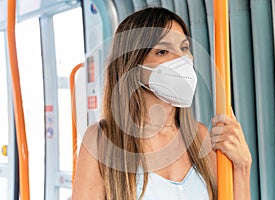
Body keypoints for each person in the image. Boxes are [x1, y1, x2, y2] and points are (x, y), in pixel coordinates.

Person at [72, 7, 252, 200]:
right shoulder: (101, 141)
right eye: (163, 51)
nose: (181, 59)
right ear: (133, 65)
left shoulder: (200, 137)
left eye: (184, 48)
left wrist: (242, 168)